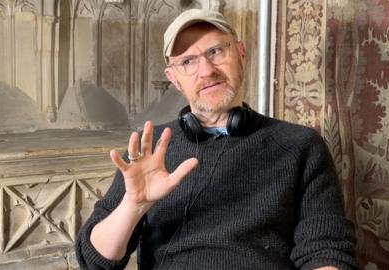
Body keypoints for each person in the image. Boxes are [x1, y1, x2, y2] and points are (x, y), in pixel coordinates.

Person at [75, 9, 358, 270]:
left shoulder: (301, 146)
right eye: (188, 61)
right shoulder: (151, 148)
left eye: (215, 51)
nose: (207, 70)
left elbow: (325, 252)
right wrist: (132, 206)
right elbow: (94, 261)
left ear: (241, 54)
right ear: (174, 79)